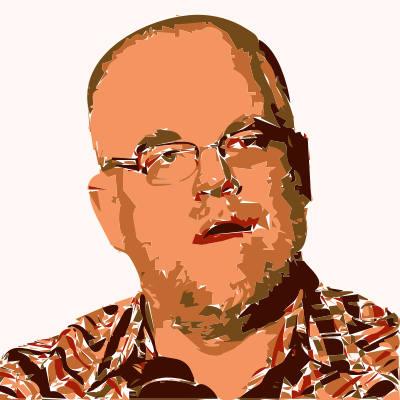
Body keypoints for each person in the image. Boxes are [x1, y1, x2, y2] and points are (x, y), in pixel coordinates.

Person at [1, 15, 398, 400]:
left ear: (301, 170)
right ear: (111, 210)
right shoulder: (30, 386)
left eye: (247, 141)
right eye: (165, 156)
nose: (214, 178)